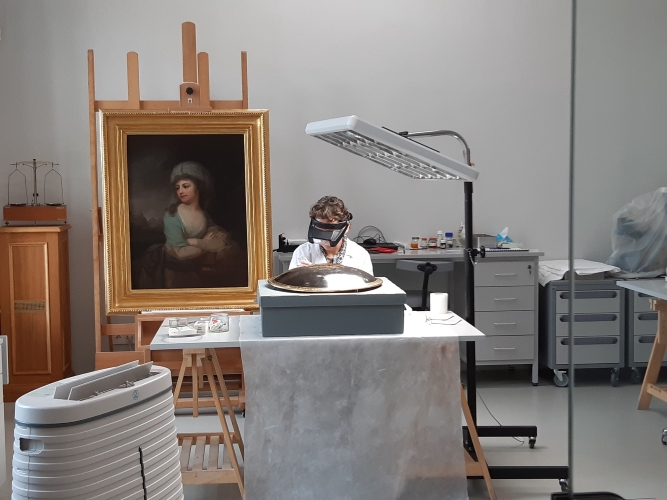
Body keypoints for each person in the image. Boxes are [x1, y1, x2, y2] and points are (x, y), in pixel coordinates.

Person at [137, 161, 243, 288]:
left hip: (193, 272)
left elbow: (222, 242)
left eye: (186, 186)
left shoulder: (205, 216)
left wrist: (195, 242)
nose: (180, 191)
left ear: (198, 187)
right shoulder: (172, 216)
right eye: (178, 187)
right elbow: (180, 253)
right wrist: (205, 243)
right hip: (172, 273)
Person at [289, 196, 374, 275]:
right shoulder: (302, 252)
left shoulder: (360, 255)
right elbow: (290, 284)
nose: (324, 238)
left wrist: (317, 275)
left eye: (329, 231)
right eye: (320, 230)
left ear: (346, 228)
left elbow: (366, 285)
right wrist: (302, 276)